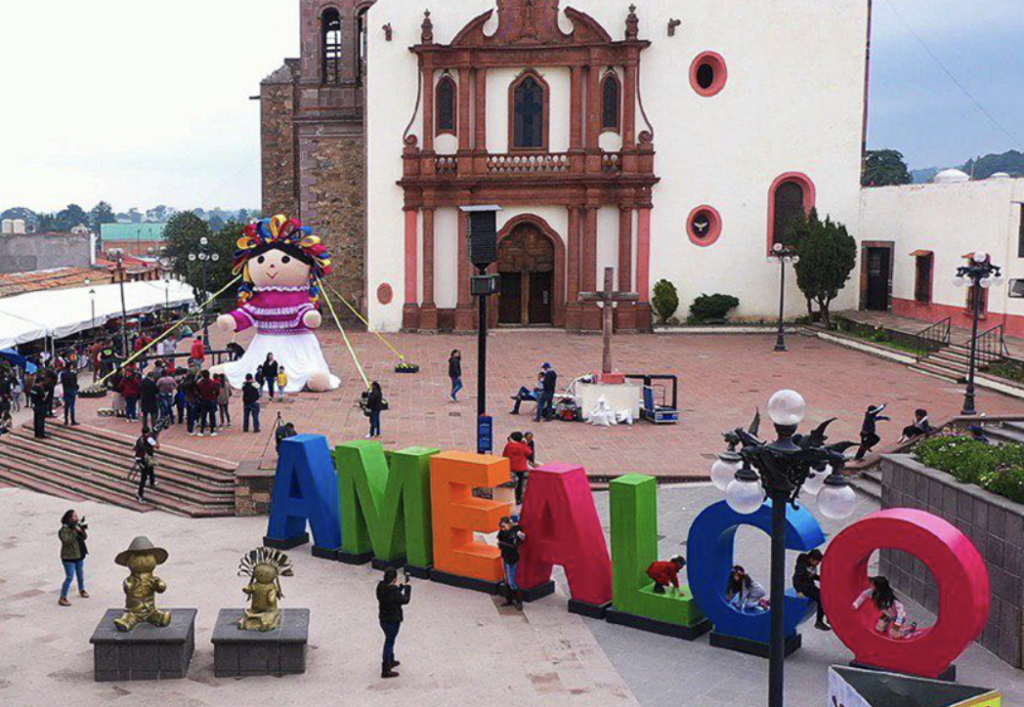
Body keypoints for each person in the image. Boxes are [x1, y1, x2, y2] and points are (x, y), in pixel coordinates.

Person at [853, 576, 917, 639]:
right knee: (879, 628)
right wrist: (856, 604)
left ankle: (908, 630)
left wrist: (897, 624)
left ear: (879, 587)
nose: (871, 586)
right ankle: (889, 626)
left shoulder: (891, 599)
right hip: (886, 615)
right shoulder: (872, 591)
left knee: (894, 635)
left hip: (898, 617)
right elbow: (863, 595)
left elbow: (900, 611)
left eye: (873, 585)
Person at [376, 566, 412, 679]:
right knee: (389, 642)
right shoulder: (394, 592)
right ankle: (386, 668)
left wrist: (399, 589)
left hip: (383, 619)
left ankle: (390, 660)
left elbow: (393, 596)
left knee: (389, 640)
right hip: (392, 620)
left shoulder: (380, 587)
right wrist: (407, 588)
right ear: (395, 579)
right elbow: (405, 600)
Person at [58, 509, 89, 606]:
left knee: (80, 574)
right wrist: (75, 531)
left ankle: (82, 589)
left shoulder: (75, 527)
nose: (77, 518)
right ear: (69, 518)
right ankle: (62, 597)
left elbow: (84, 538)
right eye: (74, 516)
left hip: (79, 555)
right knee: (69, 577)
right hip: (69, 557)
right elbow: (67, 541)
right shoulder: (63, 530)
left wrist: (82, 530)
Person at [794, 549, 830, 631]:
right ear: (811, 559)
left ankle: (829, 616)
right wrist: (799, 591)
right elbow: (795, 578)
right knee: (821, 599)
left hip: (810, 585)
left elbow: (811, 575)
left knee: (825, 595)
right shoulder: (802, 566)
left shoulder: (811, 565)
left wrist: (821, 578)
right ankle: (819, 621)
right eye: (817, 562)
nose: (818, 564)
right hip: (804, 588)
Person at [497, 516, 526, 610]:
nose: (502, 528)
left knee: (512, 581)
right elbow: (500, 538)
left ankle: (519, 601)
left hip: (512, 558)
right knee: (507, 580)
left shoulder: (515, 531)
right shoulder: (502, 532)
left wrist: (503, 544)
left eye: (504, 526)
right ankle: (509, 599)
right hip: (505, 556)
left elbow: (519, 542)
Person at [502, 432, 533, 506]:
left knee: (511, 483)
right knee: (520, 484)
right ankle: (518, 499)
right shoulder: (522, 446)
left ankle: (511, 497)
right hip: (521, 468)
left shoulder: (509, 445)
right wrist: (525, 444)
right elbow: (529, 452)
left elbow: (504, 455)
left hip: (511, 467)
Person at [134, 425, 160, 503]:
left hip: (140, 457)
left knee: (151, 467)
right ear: (148, 432)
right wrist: (156, 439)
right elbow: (157, 446)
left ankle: (152, 481)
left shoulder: (140, 438)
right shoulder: (149, 438)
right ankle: (139, 495)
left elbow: (134, 447)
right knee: (143, 477)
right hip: (145, 458)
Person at [197, 369, 220, 437]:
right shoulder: (213, 383)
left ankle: (201, 431)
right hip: (211, 400)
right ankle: (212, 431)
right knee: (212, 415)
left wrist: (200, 396)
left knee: (203, 416)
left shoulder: (200, 383)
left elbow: (197, 392)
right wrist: (215, 396)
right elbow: (217, 391)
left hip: (204, 400)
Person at [59, 362, 79, 426]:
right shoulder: (72, 374)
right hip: (72, 390)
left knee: (66, 406)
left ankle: (66, 420)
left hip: (65, 390)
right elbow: (75, 382)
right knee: (72, 406)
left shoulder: (63, 374)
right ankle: (72, 420)